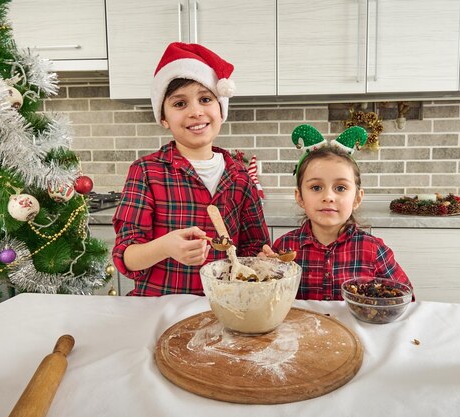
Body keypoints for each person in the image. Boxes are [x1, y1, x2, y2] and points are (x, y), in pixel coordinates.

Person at [112, 42, 270, 296]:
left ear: (221, 110)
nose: (196, 111)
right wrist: (165, 247)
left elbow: (255, 248)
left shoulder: (240, 177)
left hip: (224, 309)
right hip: (160, 307)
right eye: (179, 104)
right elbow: (125, 257)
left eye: (205, 99)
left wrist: (264, 258)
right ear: (163, 118)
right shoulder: (146, 172)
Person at [261, 124, 412, 301]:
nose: (328, 197)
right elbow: (268, 300)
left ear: (357, 198)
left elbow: (406, 298)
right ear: (300, 197)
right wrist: (263, 273)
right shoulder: (284, 248)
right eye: (316, 187)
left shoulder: (373, 250)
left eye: (340, 188)